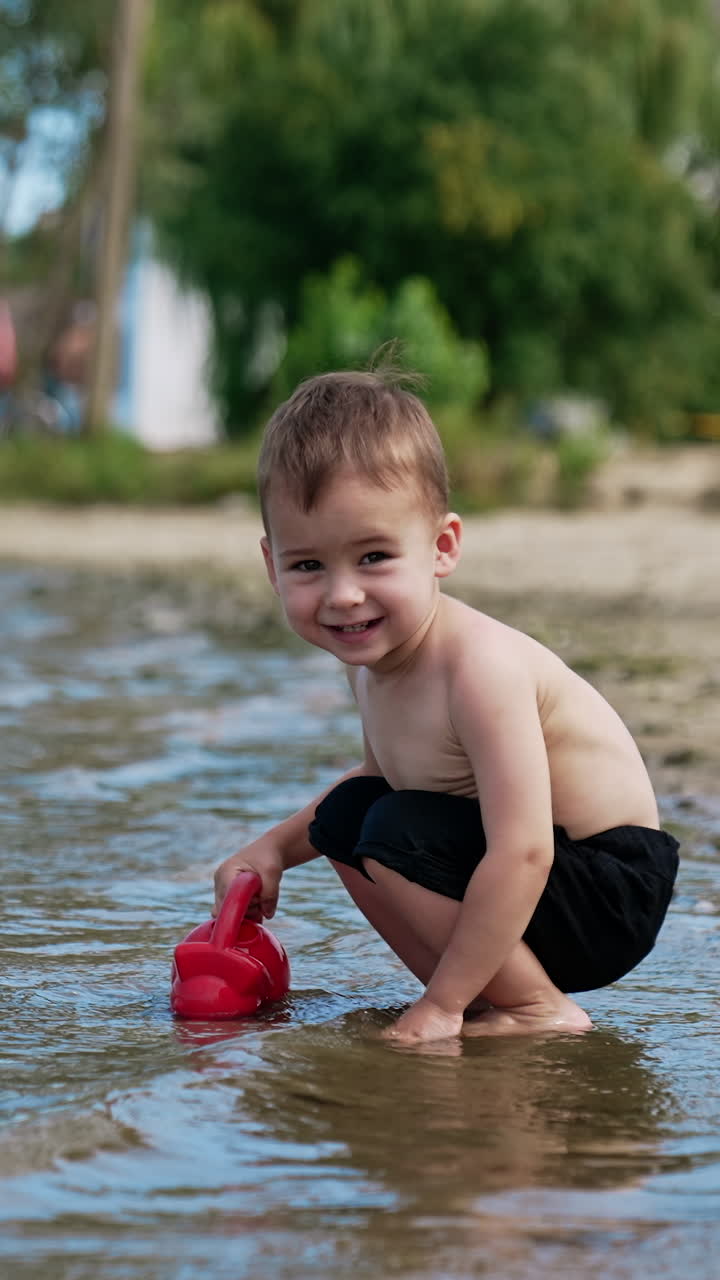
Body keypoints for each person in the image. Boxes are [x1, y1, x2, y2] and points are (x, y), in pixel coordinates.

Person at [213, 367, 679, 1044]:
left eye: (373, 556)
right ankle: (484, 994)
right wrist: (274, 849)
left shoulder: (477, 669)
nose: (343, 595)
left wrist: (438, 1007)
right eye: (308, 566)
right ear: (271, 565)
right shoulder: (372, 665)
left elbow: (523, 851)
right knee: (348, 818)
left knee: (394, 828)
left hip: (605, 888)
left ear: (442, 547)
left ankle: (528, 1006)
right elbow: (378, 781)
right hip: (529, 876)